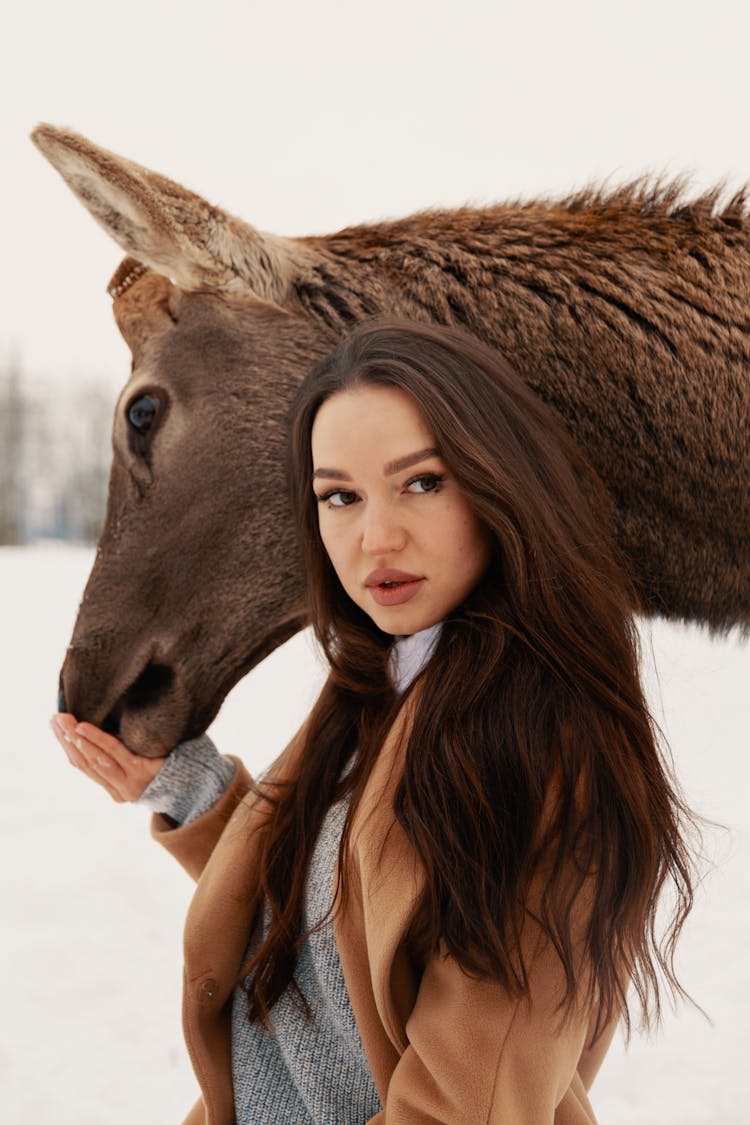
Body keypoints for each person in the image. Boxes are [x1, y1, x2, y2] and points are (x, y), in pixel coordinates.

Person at [50, 319, 697, 1124]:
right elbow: (353, 918)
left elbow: (468, 1105)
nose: (375, 537)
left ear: (499, 482)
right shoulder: (386, 679)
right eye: (340, 496)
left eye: (421, 482)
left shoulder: (539, 743)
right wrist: (193, 791)